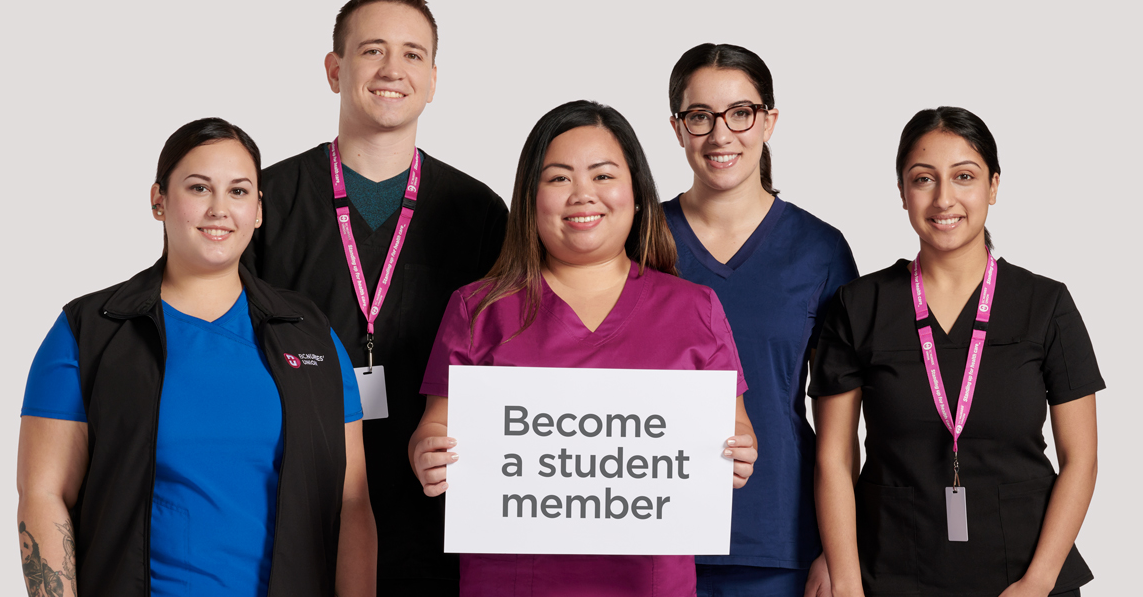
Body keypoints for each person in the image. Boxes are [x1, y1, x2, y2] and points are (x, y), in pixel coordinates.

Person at [408, 100, 759, 596]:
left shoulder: (695, 308)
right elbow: (435, 427)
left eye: (602, 175)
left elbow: (734, 427)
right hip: (509, 582)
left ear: (636, 193)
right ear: (529, 198)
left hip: (649, 583)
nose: (582, 195)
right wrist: (427, 453)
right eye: (558, 179)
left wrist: (738, 455)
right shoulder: (478, 307)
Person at [16, 118, 375, 597]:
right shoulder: (88, 330)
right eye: (199, 188)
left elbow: (352, 503)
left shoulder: (311, 335)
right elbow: (44, 495)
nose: (219, 209)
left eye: (239, 191)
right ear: (158, 200)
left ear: (259, 210)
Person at [243, 0, 509, 596]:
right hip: (294, 506)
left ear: (434, 78)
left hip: (439, 513)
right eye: (372, 51)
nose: (393, 69)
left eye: (413, 54)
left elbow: (509, 357)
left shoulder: (478, 212)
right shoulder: (265, 201)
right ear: (335, 70)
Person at [810, 107, 1102, 597]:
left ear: (992, 186)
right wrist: (847, 581)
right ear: (902, 192)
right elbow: (834, 460)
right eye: (923, 179)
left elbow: (1082, 458)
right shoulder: (858, 306)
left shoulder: (1045, 304)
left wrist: (1038, 582)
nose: (944, 198)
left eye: (964, 176)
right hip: (891, 573)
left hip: (1023, 573)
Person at [664, 43, 856, 597]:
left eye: (741, 113)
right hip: (654, 525)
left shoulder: (820, 250)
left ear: (769, 120)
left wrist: (837, 552)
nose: (721, 135)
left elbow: (843, 426)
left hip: (780, 535)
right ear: (678, 128)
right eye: (700, 117)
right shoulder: (640, 238)